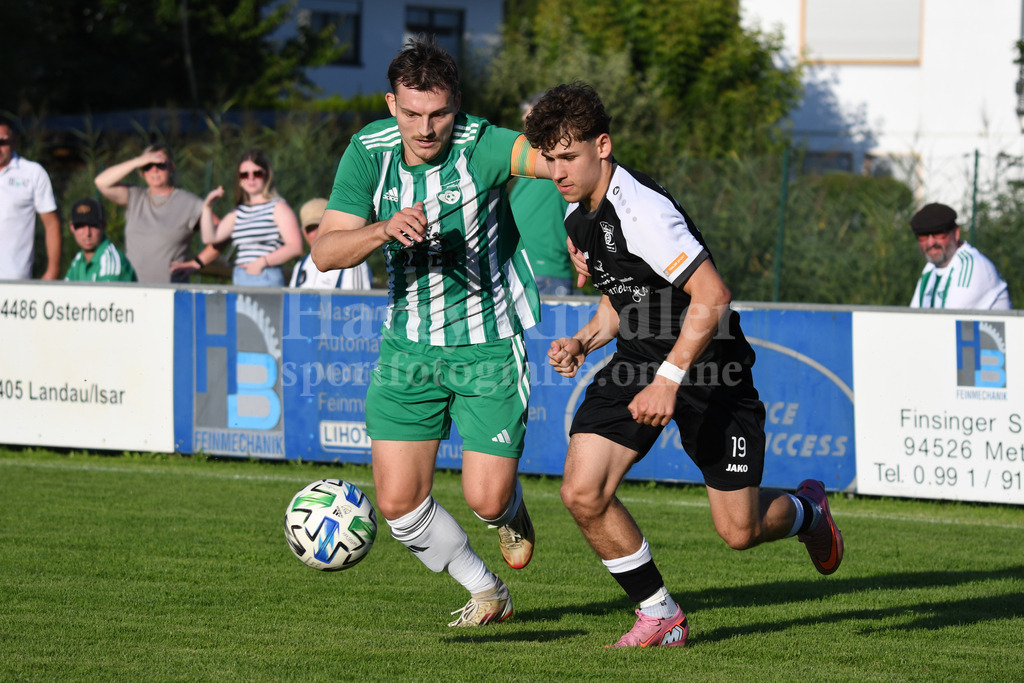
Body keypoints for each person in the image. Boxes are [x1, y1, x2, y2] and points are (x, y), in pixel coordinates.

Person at [524, 82, 844, 648]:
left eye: (567, 156)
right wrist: (584, 340)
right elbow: (624, 296)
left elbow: (713, 296)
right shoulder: (578, 210)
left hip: (710, 371)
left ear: (603, 145)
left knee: (738, 531)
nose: (557, 171)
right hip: (638, 364)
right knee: (582, 491)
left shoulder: (641, 209)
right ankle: (660, 613)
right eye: (549, 159)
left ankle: (807, 511)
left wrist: (669, 380)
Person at [311, 38, 549, 628]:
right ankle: (486, 591)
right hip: (407, 348)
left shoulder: (484, 143)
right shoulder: (368, 150)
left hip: (487, 343)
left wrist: (599, 220)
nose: (426, 127)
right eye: (412, 113)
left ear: (457, 106)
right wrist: (382, 228)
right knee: (395, 504)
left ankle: (509, 510)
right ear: (392, 104)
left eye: (439, 113)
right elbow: (324, 251)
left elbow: (560, 161)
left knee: (485, 498)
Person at [94, 144, 220, 284]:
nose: (154, 170)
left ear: (171, 167)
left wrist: (198, 263)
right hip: (132, 289)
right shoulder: (135, 196)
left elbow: (221, 234)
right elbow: (101, 182)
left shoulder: (189, 203)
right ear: (142, 171)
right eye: (148, 166)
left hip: (171, 293)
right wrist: (137, 161)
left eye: (160, 164)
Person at [201, 149, 303, 287]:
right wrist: (207, 207)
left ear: (267, 175)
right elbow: (209, 238)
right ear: (239, 179)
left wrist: (262, 262)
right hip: (240, 277)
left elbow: (295, 247)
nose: (251, 178)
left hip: (267, 276)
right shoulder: (238, 212)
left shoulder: (278, 207)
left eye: (257, 173)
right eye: (244, 174)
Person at [509, 94, 575, 295]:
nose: (523, 121)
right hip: (520, 272)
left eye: (529, 116)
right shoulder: (530, 162)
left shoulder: (558, 163)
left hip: (546, 275)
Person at [909, 203, 1011, 310]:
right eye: (923, 236)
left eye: (938, 234)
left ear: (956, 233)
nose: (930, 243)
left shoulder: (972, 267)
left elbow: (948, 322)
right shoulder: (929, 269)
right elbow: (913, 318)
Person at [0, 115, 61, 280]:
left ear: (14, 140)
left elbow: (51, 224)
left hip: (14, 280)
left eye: (2, 142)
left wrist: (52, 272)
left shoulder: (33, 173)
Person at [289, 198, 373, 289]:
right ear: (304, 233)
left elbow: (357, 301)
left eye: (320, 226)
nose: (316, 233)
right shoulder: (300, 265)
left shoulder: (352, 261)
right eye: (310, 229)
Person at [64, 198, 137, 282]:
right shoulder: (79, 259)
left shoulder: (110, 263)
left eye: (93, 225)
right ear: (72, 227)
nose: (87, 233)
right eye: (80, 226)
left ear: (103, 226)